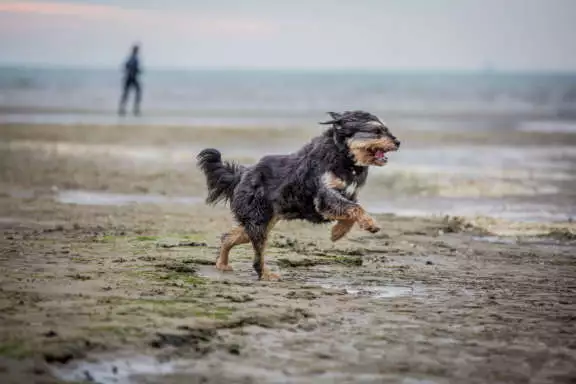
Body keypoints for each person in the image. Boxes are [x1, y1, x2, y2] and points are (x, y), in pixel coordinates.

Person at [118, 44, 142, 116]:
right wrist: (136, 71)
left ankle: (123, 108)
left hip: (129, 77)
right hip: (131, 78)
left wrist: (131, 71)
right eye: (137, 50)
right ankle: (134, 109)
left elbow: (126, 66)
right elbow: (131, 67)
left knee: (127, 93)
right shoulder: (134, 58)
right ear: (136, 50)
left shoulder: (131, 58)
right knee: (136, 92)